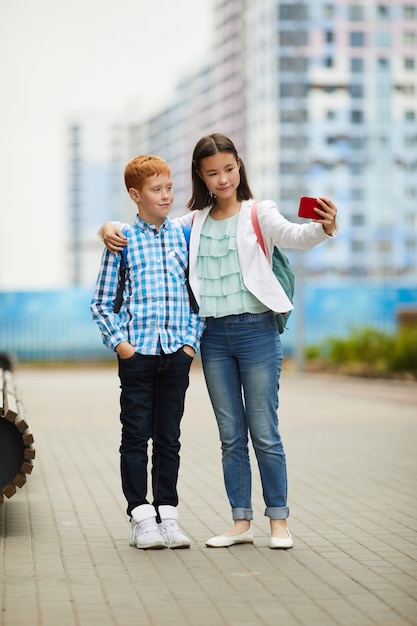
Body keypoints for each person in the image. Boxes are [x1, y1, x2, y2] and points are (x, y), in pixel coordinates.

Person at [100, 133, 338, 549]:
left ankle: (278, 522)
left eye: (229, 169)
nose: (223, 179)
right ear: (201, 177)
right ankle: (240, 522)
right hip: (213, 338)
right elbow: (144, 227)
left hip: (257, 332)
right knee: (230, 434)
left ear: (239, 167)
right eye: (212, 173)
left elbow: (294, 235)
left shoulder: (258, 212)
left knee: (264, 429)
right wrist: (107, 227)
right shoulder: (192, 222)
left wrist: (323, 227)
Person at [90, 154, 205, 550]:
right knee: (136, 435)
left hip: (176, 353)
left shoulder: (183, 237)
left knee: (169, 437)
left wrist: (191, 344)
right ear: (135, 195)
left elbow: (198, 298)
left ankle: (168, 515)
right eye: (157, 190)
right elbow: (102, 302)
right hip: (137, 355)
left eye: (170, 187)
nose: (167, 196)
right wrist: (122, 346)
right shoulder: (121, 240)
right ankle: (141, 517)